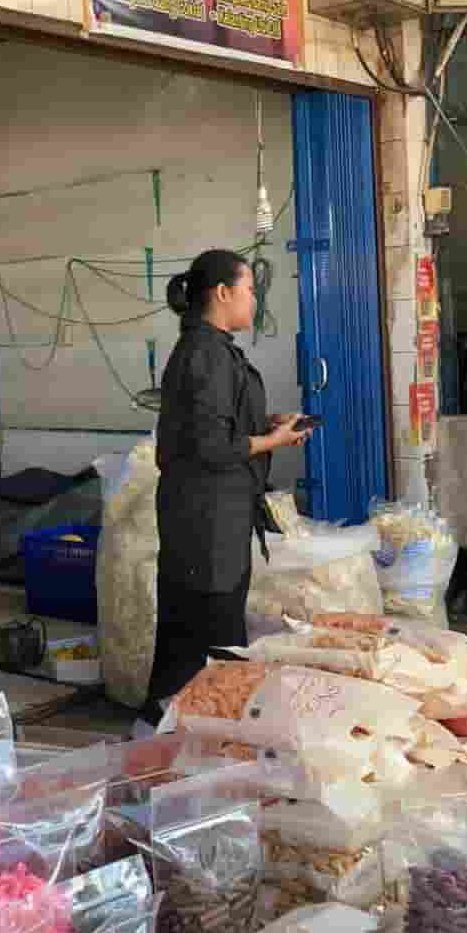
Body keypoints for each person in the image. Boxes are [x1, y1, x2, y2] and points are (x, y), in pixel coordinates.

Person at [144, 249, 311, 720]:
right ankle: (202, 739)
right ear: (222, 293)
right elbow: (212, 447)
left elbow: (216, 427)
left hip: (209, 519)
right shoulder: (205, 354)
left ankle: (164, 733)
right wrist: (271, 440)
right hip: (206, 523)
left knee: (186, 639)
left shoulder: (211, 350)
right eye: (250, 291)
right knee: (209, 641)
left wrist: (270, 426)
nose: (254, 302)